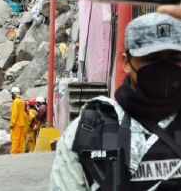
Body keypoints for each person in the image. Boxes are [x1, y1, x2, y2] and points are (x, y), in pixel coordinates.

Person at [50, 13, 181, 190]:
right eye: (151, 58)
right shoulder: (87, 130)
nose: (164, 68)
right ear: (126, 62)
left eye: (174, 59)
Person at [10, 86, 26, 154]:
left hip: (16, 124)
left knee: (15, 140)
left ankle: (14, 153)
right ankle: (21, 153)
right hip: (22, 123)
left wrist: (12, 124)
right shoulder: (22, 102)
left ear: (14, 94)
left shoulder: (15, 102)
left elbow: (15, 114)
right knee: (21, 140)